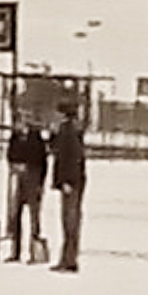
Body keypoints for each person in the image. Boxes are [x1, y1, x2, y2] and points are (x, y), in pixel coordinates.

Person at [50, 95, 88, 273]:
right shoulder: (68, 130)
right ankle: (68, 258)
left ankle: (69, 260)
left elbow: (71, 158)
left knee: (70, 221)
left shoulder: (68, 131)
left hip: (71, 181)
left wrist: (66, 180)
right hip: (74, 180)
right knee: (70, 220)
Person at [4, 117, 49, 263]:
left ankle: (34, 251)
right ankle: (15, 251)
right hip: (18, 179)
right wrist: (14, 166)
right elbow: (9, 154)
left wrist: (40, 183)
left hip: (33, 179)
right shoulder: (15, 137)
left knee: (34, 217)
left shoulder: (35, 138)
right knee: (15, 215)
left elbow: (42, 160)